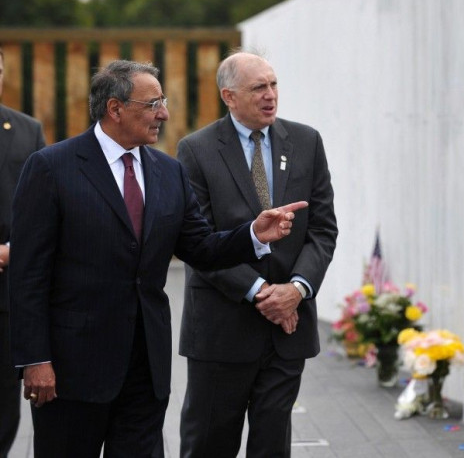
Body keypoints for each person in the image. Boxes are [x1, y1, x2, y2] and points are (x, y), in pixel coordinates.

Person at [8, 59, 306, 458]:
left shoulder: (168, 172)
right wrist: (35, 359)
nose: (164, 114)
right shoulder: (51, 168)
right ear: (115, 109)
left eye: (162, 102)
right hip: (70, 371)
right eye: (153, 104)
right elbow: (28, 275)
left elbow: (199, 248)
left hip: (145, 370)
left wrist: (253, 234)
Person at [177, 51, 337, 457]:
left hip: (288, 328)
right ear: (229, 96)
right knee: (211, 444)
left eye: (274, 84)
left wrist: (296, 290)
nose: (271, 95)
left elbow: (322, 229)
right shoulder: (196, 150)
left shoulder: (305, 141)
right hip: (221, 330)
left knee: (272, 446)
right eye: (258, 88)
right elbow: (198, 240)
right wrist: (262, 292)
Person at [0, 46, 46, 458]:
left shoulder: (27, 130)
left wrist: (13, 250)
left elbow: (42, 210)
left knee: (4, 408)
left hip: (7, 296)